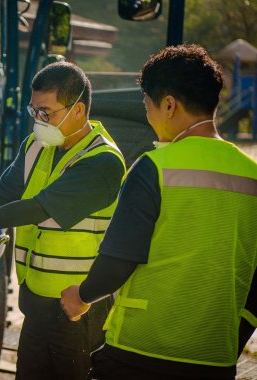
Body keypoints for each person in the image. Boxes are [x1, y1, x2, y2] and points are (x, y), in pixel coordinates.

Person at [0, 61, 126, 379]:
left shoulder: (102, 162)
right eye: (34, 112)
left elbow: (37, 208)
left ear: (79, 110)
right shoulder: (36, 146)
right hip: (36, 300)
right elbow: (4, 196)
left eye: (47, 113)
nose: (39, 121)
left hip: (77, 305)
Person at [60, 44, 257, 380]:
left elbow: (119, 259)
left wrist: (81, 296)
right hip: (215, 359)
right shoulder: (250, 174)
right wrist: (232, 340)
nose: (148, 118)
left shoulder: (154, 167)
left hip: (141, 352)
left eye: (147, 107)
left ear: (169, 105)